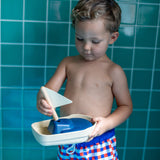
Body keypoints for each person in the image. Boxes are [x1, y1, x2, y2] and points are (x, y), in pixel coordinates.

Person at [37, 0, 133, 159]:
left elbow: (126, 106)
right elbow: (46, 92)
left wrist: (107, 124)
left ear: (112, 37)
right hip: (67, 141)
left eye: (95, 41)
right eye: (80, 38)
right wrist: (42, 102)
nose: (86, 47)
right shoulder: (68, 64)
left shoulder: (113, 71)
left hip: (98, 142)